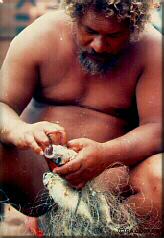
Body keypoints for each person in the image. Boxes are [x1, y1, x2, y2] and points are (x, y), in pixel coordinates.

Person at [0, 0, 162, 234]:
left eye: (114, 35)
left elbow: (157, 129)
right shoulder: (41, 34)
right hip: (39, 178)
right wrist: (21, 131)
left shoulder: (153, 49)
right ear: (75, 15)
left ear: (134, 27)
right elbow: (3, 105)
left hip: (111, 180)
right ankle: (43, 223)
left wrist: (105, 155)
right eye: (90, 31)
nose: (99, 45)